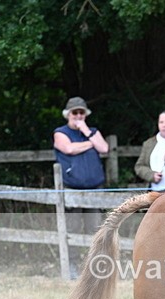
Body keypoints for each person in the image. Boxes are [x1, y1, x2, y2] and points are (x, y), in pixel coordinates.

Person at [53, 96, 109, 278]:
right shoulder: (60, 132)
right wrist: (91, 142)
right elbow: (68, 149)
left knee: (96, 229)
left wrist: (87, 132)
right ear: (67, 114)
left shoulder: (92, 130)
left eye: (81, 113)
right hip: (72, 189)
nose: (78, 116)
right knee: (73, 229)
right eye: (74, 113)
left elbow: (104, 148)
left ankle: (96, 267)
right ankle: (71, 266)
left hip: (94, 189)